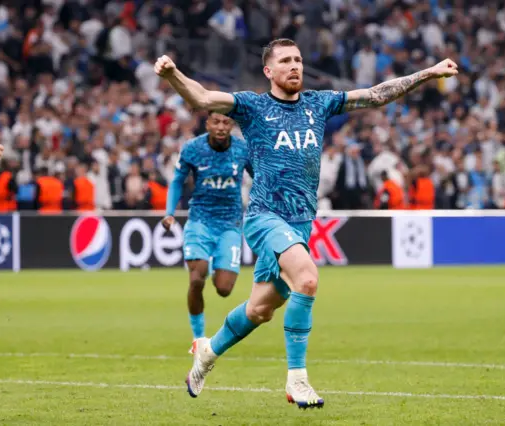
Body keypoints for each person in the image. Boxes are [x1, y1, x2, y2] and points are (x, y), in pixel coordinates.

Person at [154, 38, 458, 409]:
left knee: (259, 310)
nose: (294, 65)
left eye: (298, 59)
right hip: (265, 216)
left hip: (300, 224)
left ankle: (206, 355)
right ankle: (297, 380)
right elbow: (201, 98)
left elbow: (376, 95)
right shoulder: (252, 106)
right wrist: (173, 75)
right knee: (308, 278)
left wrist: (428, 73)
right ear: (269, 71)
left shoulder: (319, 102)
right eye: (285, 61)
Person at [161, 113, 252, 361]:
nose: (221, 127)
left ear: (232, 125)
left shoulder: (243, 149)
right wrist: (170, 213)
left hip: (230, 225)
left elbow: (259, 178)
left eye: (226, 122)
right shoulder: (193, 148)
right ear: (207, 124)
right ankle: (198, 339)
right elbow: (178, 180)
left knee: (224, 289)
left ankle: (216, 263)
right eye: (216, 122)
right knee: (197, 278)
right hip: (200, 221)